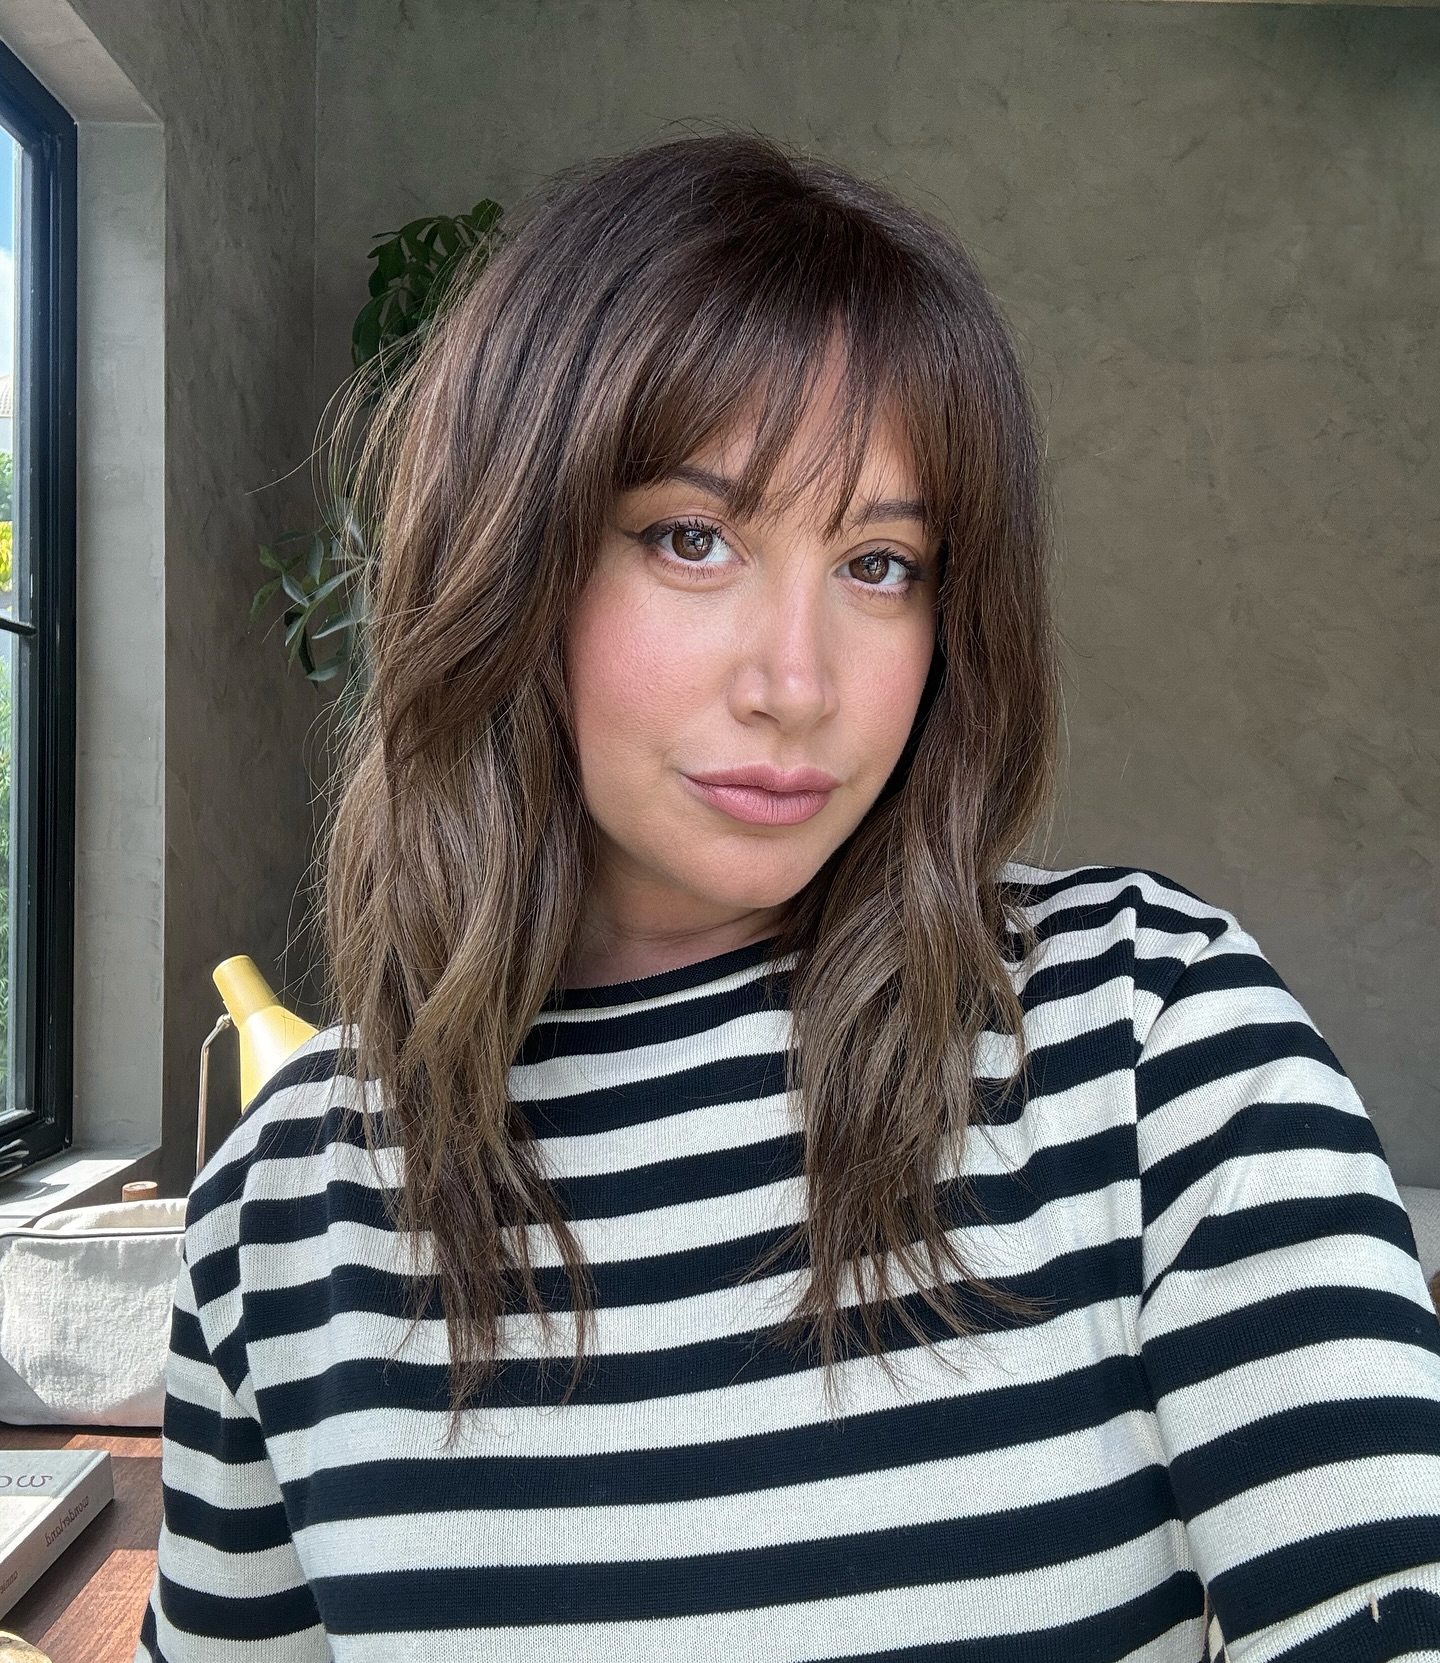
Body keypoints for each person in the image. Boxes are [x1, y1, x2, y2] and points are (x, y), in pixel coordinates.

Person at [135, 133, 1440, 1663]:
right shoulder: (283, 1217)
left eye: (882, 563)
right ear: (510, 561)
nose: (799, 685)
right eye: (694, 539)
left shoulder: (1146, 1041)